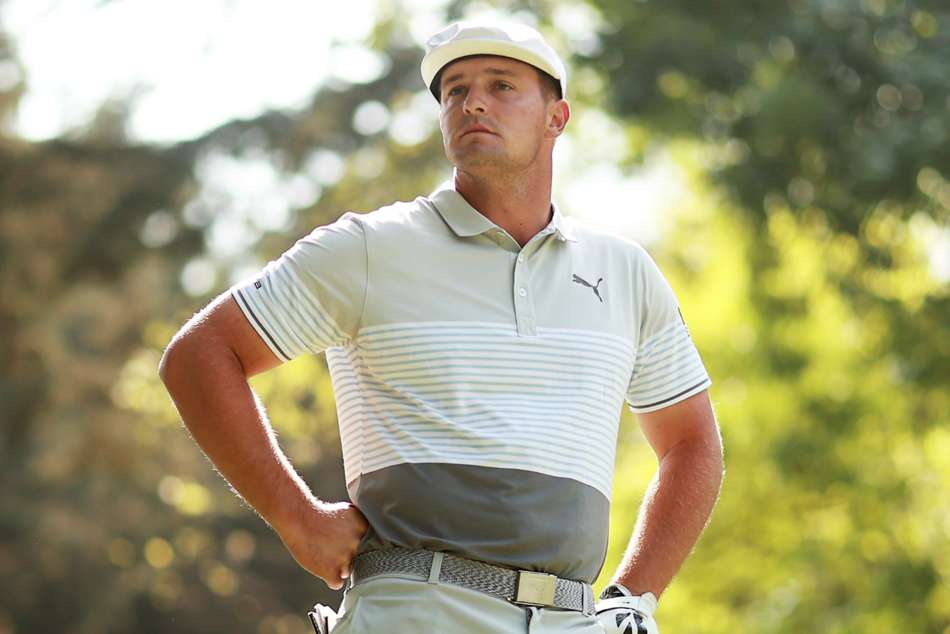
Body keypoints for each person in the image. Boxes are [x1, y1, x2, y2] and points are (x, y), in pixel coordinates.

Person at [159, 20, 724, 634]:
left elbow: (692, 442)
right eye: (455, 90)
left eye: (501, 85)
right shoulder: (369, 248)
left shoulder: (625, 270)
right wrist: (297, 518)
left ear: (556, 118)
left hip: (572, 619)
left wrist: (634, 596)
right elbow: (200, 354)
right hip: (414, 612)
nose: (473, 102)